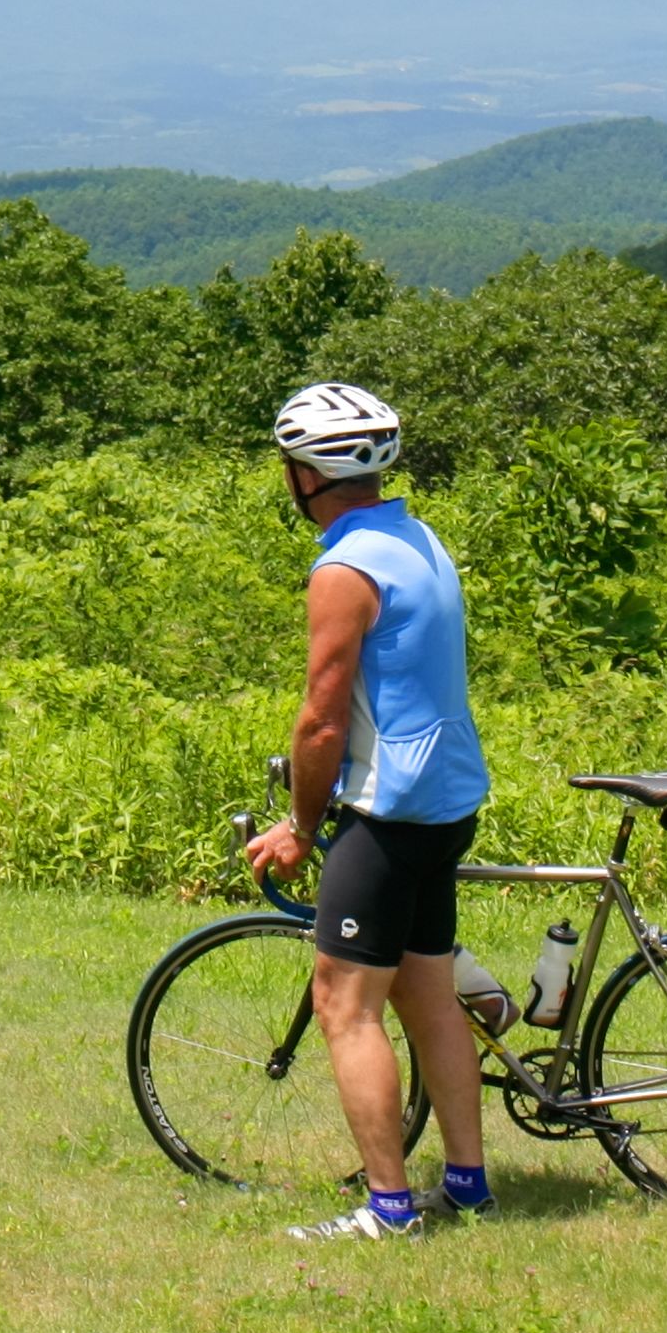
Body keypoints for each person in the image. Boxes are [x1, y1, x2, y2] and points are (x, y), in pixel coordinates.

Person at [241, 381, 495, 1240]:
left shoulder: (344, 569)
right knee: (428, 998)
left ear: (304, 478)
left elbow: (321, 716)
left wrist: (303, 827)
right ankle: (465, 1184)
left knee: (344, 1006)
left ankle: (389, 1209)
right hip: (447, 800)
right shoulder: (417, 538)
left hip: (387, 813)